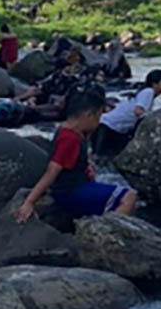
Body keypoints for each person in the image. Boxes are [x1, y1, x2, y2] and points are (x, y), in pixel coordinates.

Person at [15, 84, 136, 222]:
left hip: (74, 187)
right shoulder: (69, 138)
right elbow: (52, 170)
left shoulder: (70, 131)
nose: (98, 123)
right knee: (128, 197)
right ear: (89, 115)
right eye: (98, 117)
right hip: (70, 192)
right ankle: (107, 228)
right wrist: (30, 202)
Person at [92, 70, 161, 157]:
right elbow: (138, 111)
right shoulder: (149, 92)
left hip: (111, 127)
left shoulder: (146, 93)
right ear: (155, 84)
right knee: (99, 158)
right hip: (107, 126)